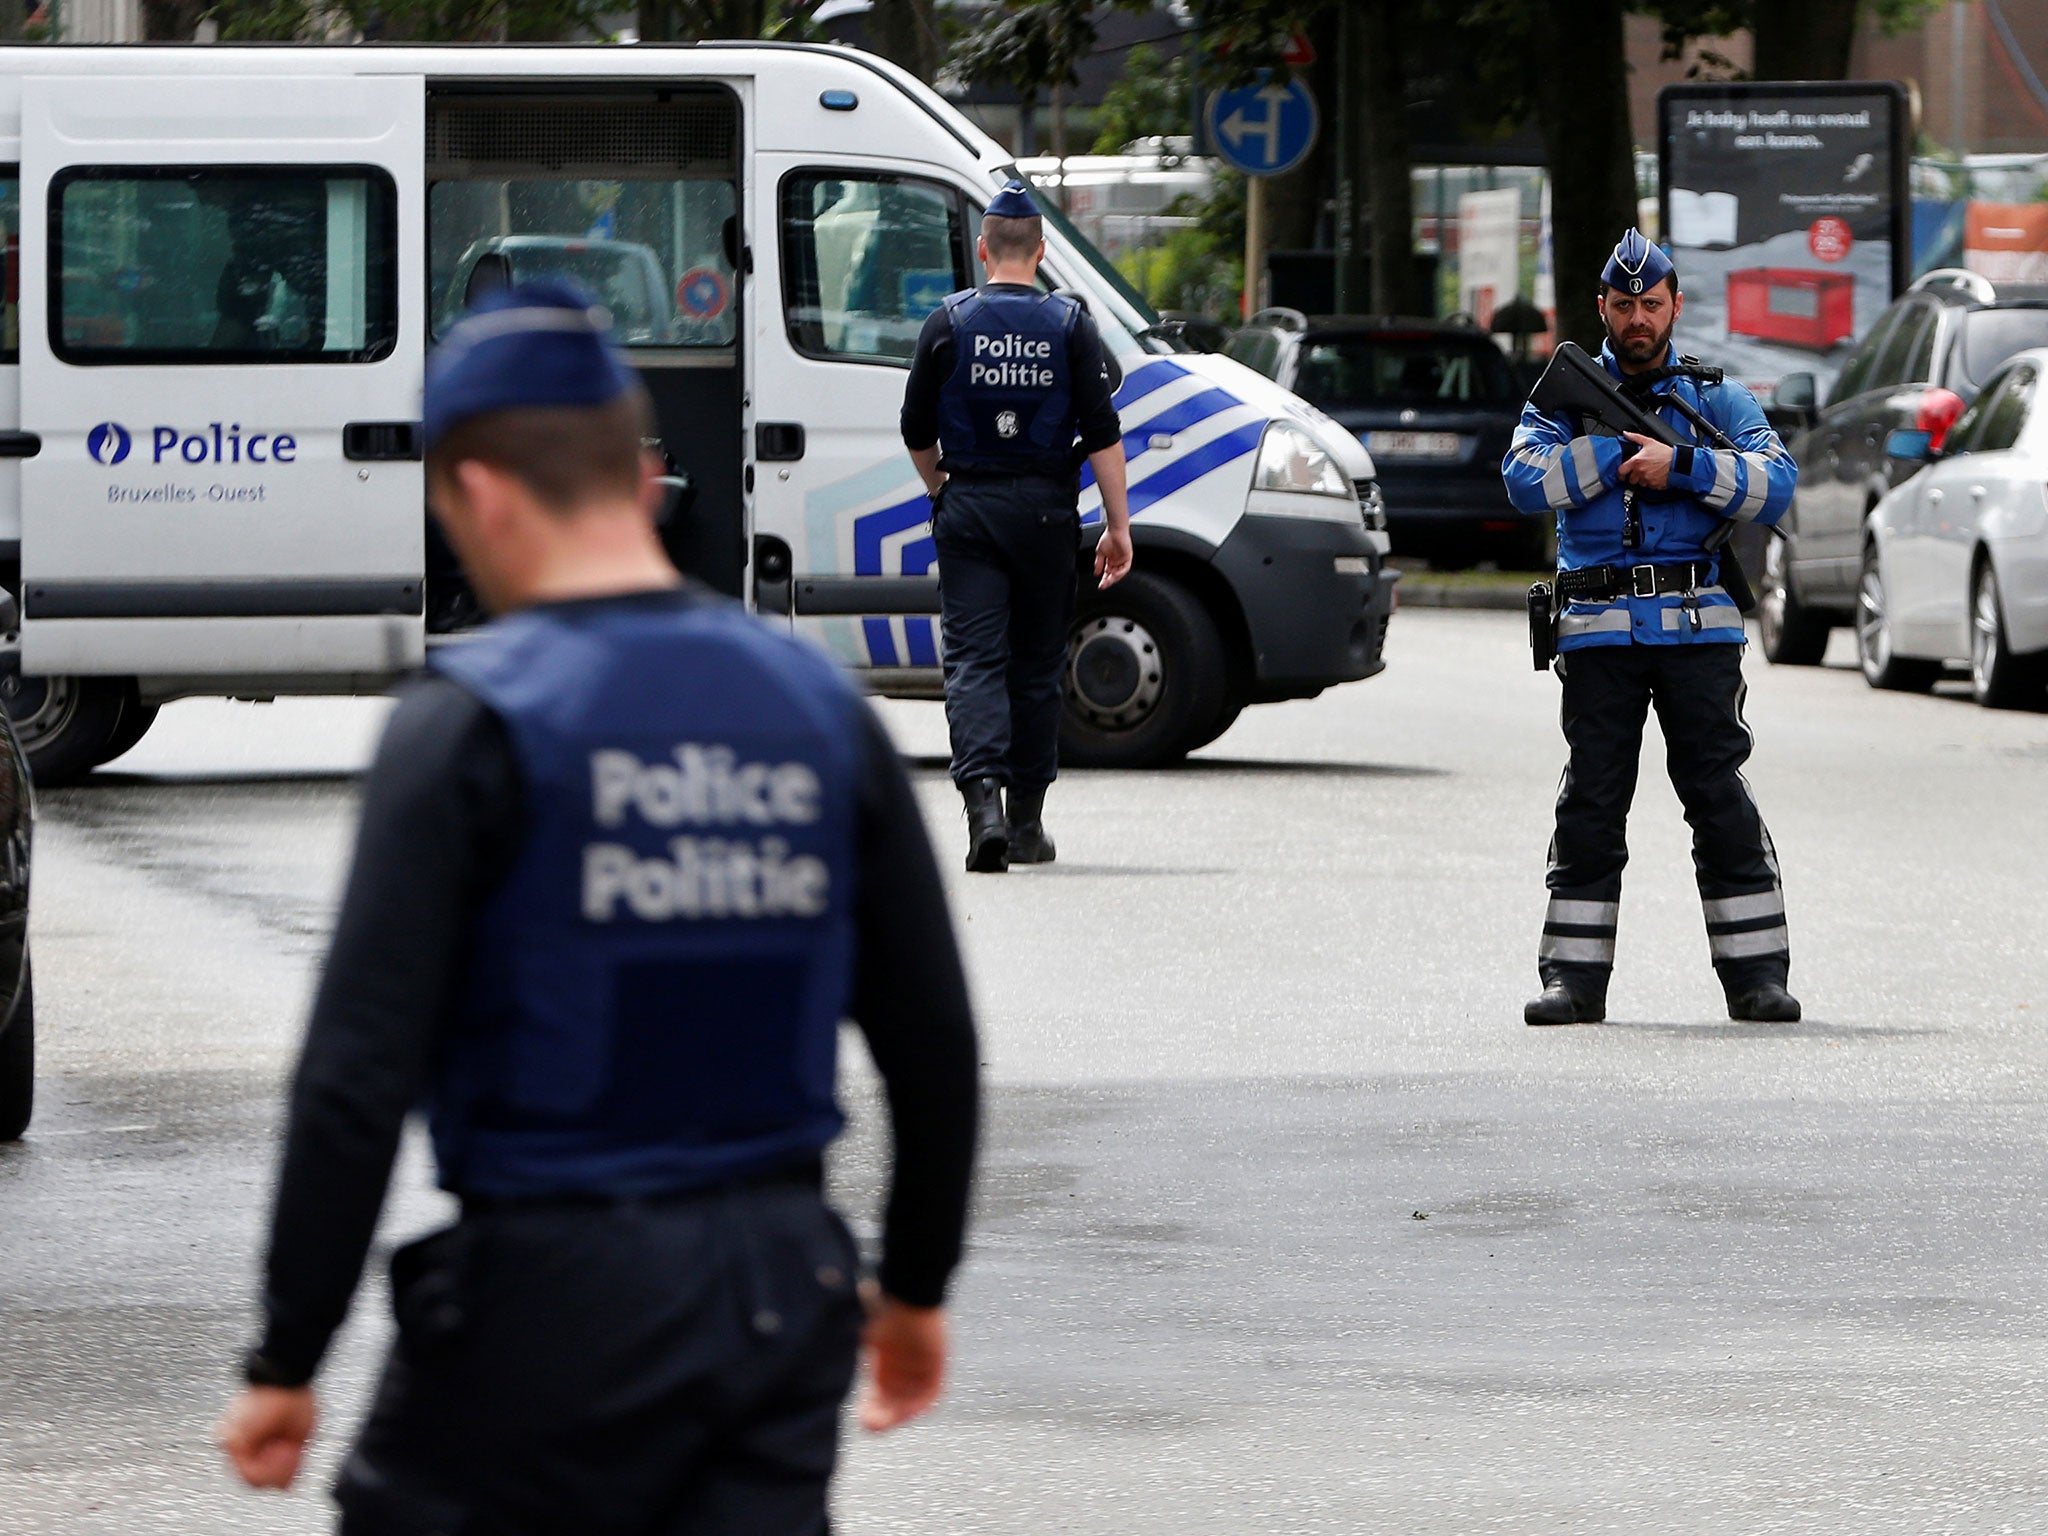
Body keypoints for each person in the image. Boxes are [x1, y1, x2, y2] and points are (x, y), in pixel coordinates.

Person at [216, 279, 981, 1533]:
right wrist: (912, 1287)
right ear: (639, 481)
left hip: (548, 1298)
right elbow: (931, 1041)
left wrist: (286, 1357)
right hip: (781, 1295)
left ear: (479, 494)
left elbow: (355, 1078)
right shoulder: (816, 708)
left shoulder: (468, 724)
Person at [1502, 230, 1802, 1027]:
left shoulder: (1717, 399)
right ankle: (1573, 979)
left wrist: (1685, 469)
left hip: (1700, 634)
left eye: (1652, 304)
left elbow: (1776, 487)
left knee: (1717, 797)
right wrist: (1605, 455)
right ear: (1602, 308)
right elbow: (1522, 479)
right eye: (1624, 305)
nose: (1638, 318)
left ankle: (1757, 977)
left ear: (1675, 307)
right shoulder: (1564, 399)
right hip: (1598, 633)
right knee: (1593, 803)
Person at [899, 178, 1133, 874]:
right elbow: (1102, 435)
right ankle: (1028, 823)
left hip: (969, 508)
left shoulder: (947, 322)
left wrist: (943, 487)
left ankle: (984, 813)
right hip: (1044, 513)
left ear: (982, 249)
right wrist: (1118, 528)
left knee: (973, 663)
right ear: (1040, 250)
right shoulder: (1069, 325)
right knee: (1034, 666)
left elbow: (915, 429)